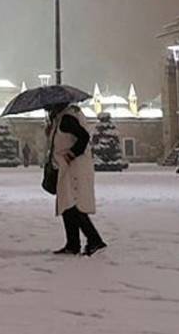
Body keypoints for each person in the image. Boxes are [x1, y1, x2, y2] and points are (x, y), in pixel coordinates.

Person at [46, 102, 106, 256]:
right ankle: (73, 244)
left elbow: (83, 137)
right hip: (67, 167)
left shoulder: (67, 119)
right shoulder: (62, 119)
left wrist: (72, 154)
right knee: (67, 205)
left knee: (73, 205)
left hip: (74, 168)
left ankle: (94, 240)